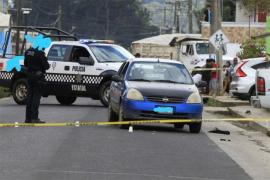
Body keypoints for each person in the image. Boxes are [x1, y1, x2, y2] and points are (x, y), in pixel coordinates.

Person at [24, 47, 50, 123]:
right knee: (36, 97)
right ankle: (34, 118)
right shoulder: (40, 53)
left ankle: (28, 118)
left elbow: (25, 64)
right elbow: (46, 66)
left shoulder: (28, 52)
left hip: (29, 76)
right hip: (38, 78)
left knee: (30, 97)